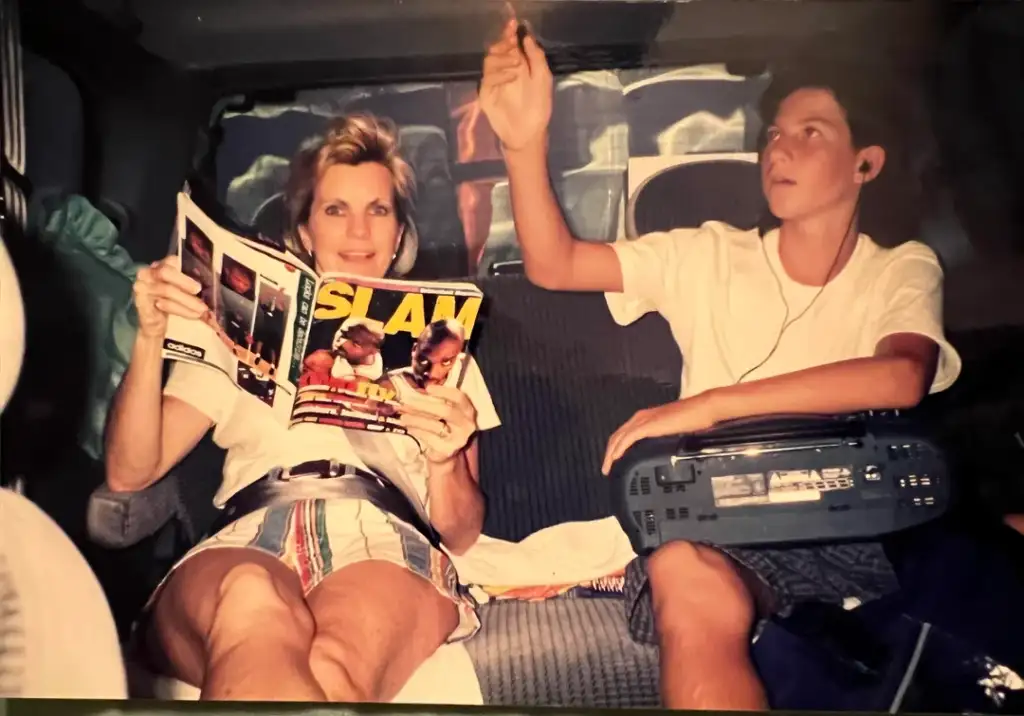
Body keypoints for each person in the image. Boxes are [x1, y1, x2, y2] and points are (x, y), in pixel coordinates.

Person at [479, 18, 962, 710]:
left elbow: (900, 376)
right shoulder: (707, 254)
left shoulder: (900, 268)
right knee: (681, 570)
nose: (779, 150)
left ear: (867, 162)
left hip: (853, 519)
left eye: (810, 133)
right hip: (725, 526)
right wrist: (522, 144)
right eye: (772, 135)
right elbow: (556, 267)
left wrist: (705, 407)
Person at [103, 113, 500, 702]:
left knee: (334, 666)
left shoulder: (443, 350)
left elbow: (461, 534)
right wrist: (149, 338)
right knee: (247, 597)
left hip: (381, 535)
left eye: (379, 210)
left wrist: (444, 462)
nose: (358, 231)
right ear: (307, 231)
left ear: (398, 238)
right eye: (336, 210)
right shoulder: (233, 329)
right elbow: (128, 472)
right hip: (245, 534)